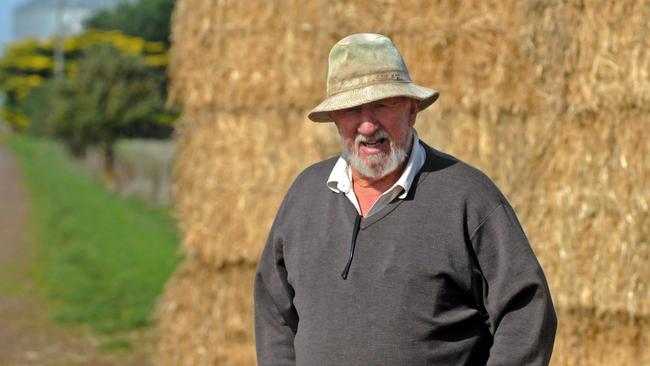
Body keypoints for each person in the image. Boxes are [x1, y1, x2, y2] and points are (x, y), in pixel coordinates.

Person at [254, 33, 557, 366]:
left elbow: (526, 311)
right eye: (352, 109)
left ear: (412, 110)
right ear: (336, 118)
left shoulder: (467, 197)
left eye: (381, 105)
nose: (367, 125)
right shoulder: (305, 195)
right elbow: (274, 309)